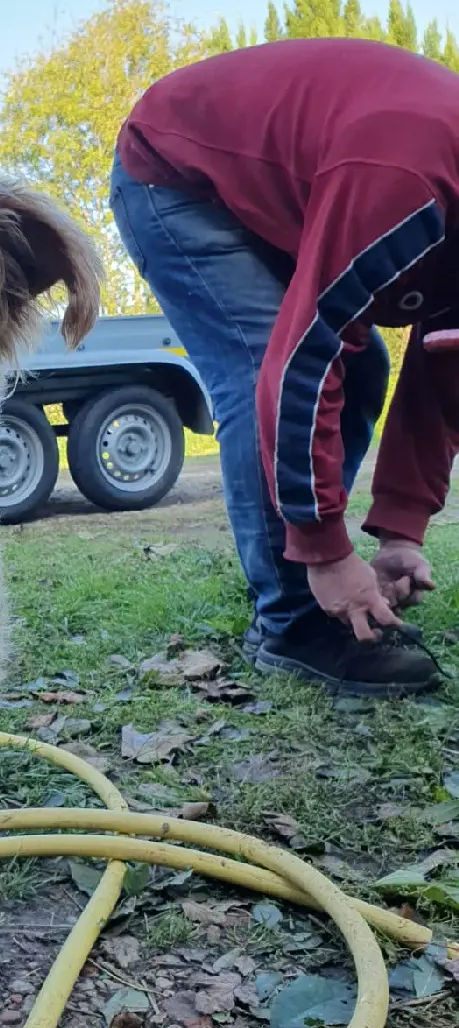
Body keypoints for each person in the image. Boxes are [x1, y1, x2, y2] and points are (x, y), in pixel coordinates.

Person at [111, 37, 459, 697]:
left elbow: (441, 367)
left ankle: (298, 569)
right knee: (263, 362)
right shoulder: (406, 179)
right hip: (174, 174)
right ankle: (293, 621)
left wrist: (398, 529)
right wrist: (326, 551)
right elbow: (300, 361)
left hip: (279, 188)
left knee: (360, 371)